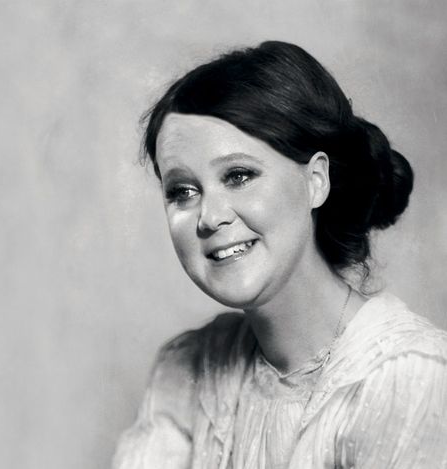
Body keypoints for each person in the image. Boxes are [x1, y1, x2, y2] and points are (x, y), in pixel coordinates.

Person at [113, 41, 447, 469]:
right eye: (183, 191)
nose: (209, 217)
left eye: (238, 176)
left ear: (315, 181)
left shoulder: (408, 379)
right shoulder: (186, 371)